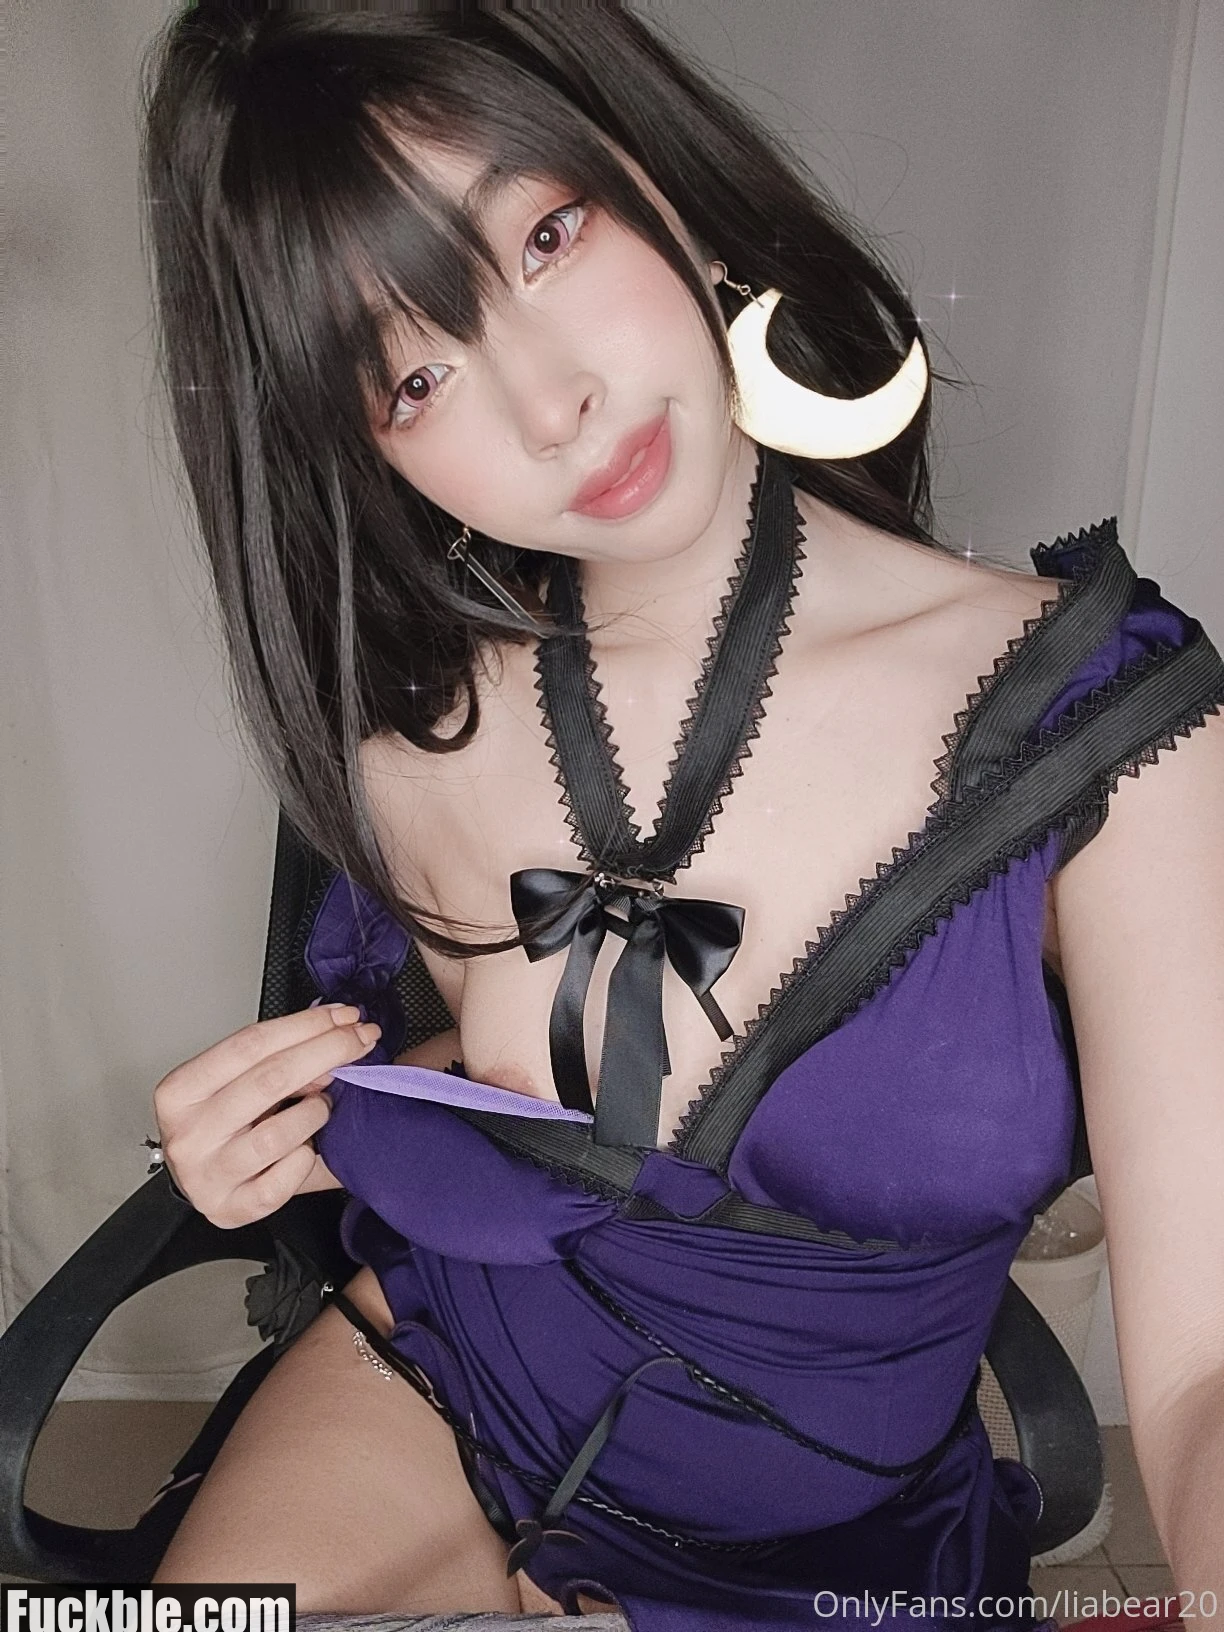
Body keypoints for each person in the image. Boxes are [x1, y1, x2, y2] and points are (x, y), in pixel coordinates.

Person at [137, 5, 1224, 1627]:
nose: (552, 403)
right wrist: (258, 1141)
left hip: (831, 1552)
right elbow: (502, 1084)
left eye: (547, 237)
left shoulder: (1103, 722)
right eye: (417, 377)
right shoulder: (413, 747)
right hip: (434, 1403)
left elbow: (1206, 1368)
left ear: (662, 183)